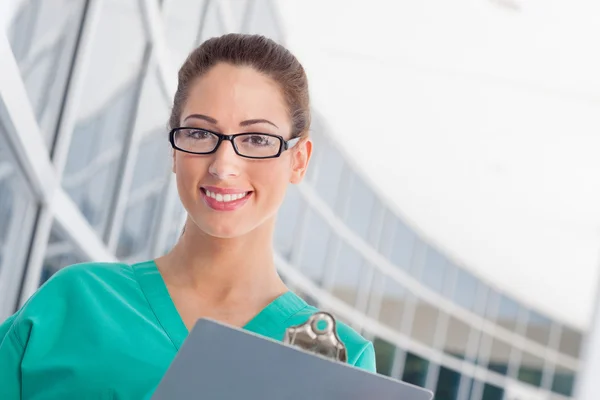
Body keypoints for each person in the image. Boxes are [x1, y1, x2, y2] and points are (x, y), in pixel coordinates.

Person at [0, 33, 376, 399]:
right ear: (174, 151)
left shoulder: (339, 364)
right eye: (199, 133)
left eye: (257, 140)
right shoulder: (74, 303)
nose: (224, 165)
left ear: (299, 160)